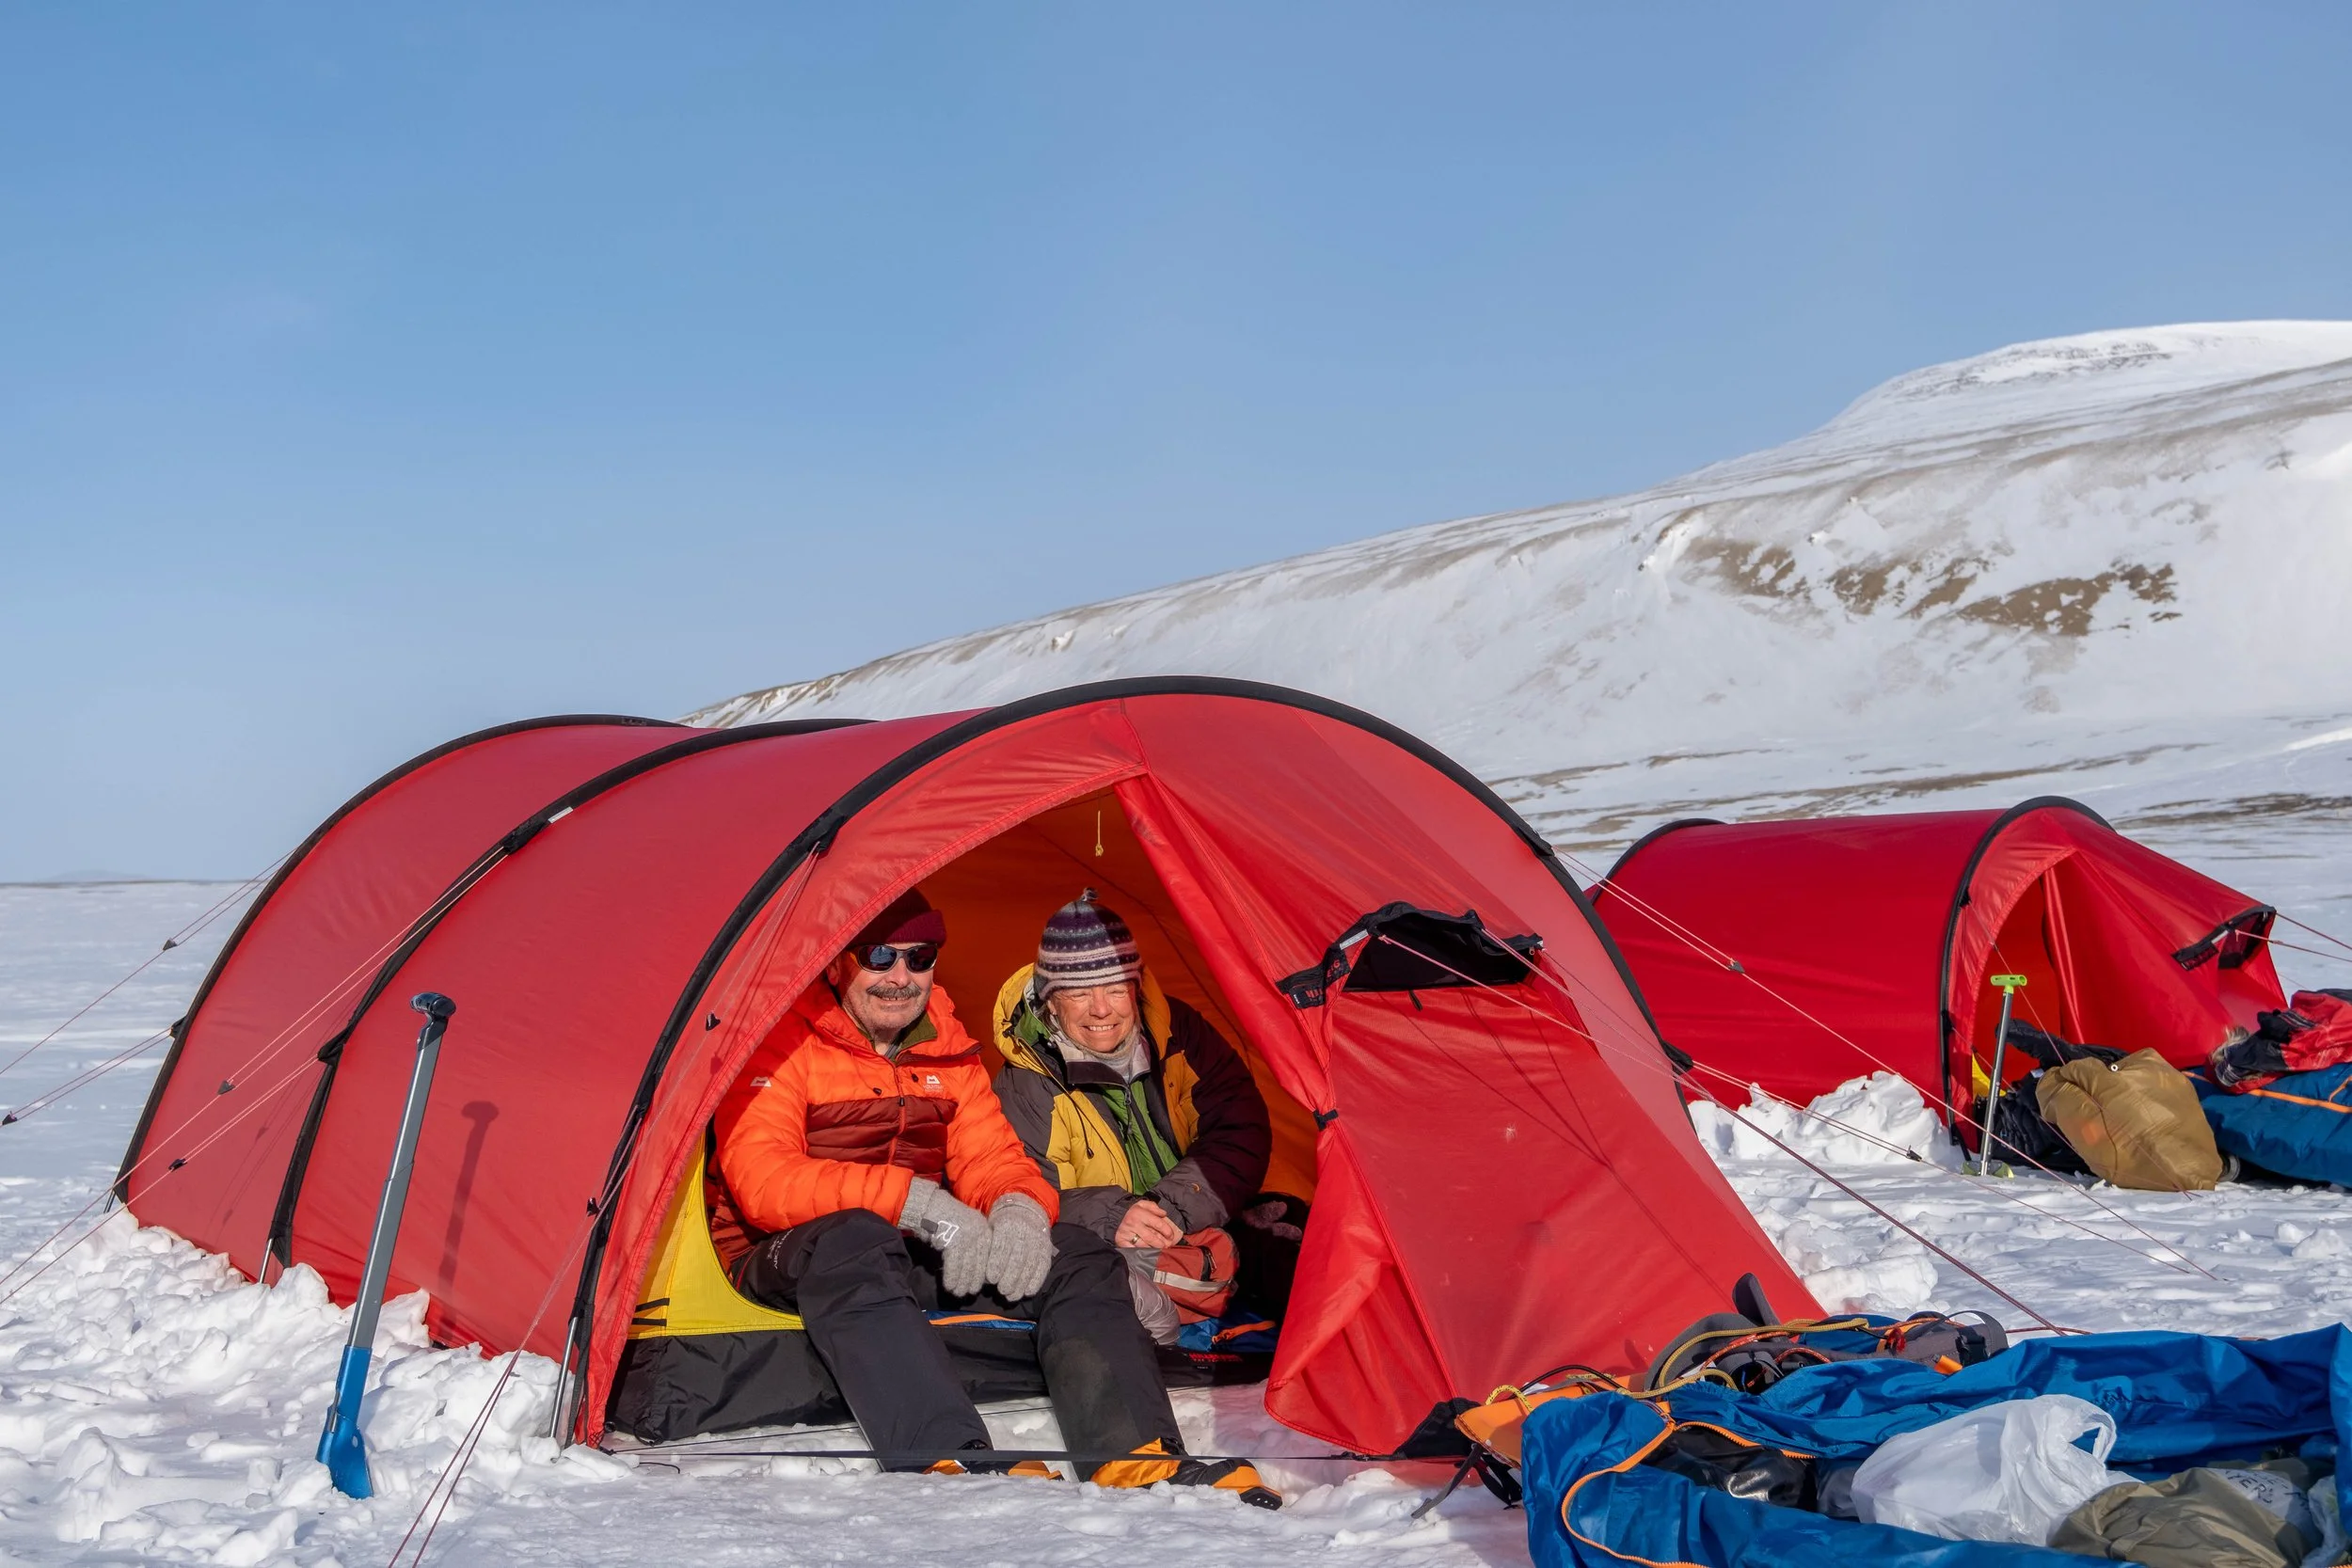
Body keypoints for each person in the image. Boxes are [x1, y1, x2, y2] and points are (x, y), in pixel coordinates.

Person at [712, 887, 1277, 1505]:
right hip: (783, 1250)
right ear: (839, 959)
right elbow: (763, 1180)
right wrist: (919, 1205)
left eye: (920, 956)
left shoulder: (944, 1041)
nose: (900, 976)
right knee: (857, 1237)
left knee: (1078, 1252)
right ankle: (947, 1453)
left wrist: (1019, 1210)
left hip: (911, 1241)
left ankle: (1133, 1455)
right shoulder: (779, 1036)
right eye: (880, 955)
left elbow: (991, 1153)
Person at [991, 892, 1306, 1338]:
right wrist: (1113, 1215)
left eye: (1117, 988)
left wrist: (1171, 1209)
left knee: (1318, 1255)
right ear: (1050, 1002)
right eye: (1079, 993)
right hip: (1108, 1245)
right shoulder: (1026, 1082)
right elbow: (1020, 1194)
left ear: (1136, 989)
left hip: (1189, 1215)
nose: (1102, 1009)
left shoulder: (1181, 1034)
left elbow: (1239, 1127)